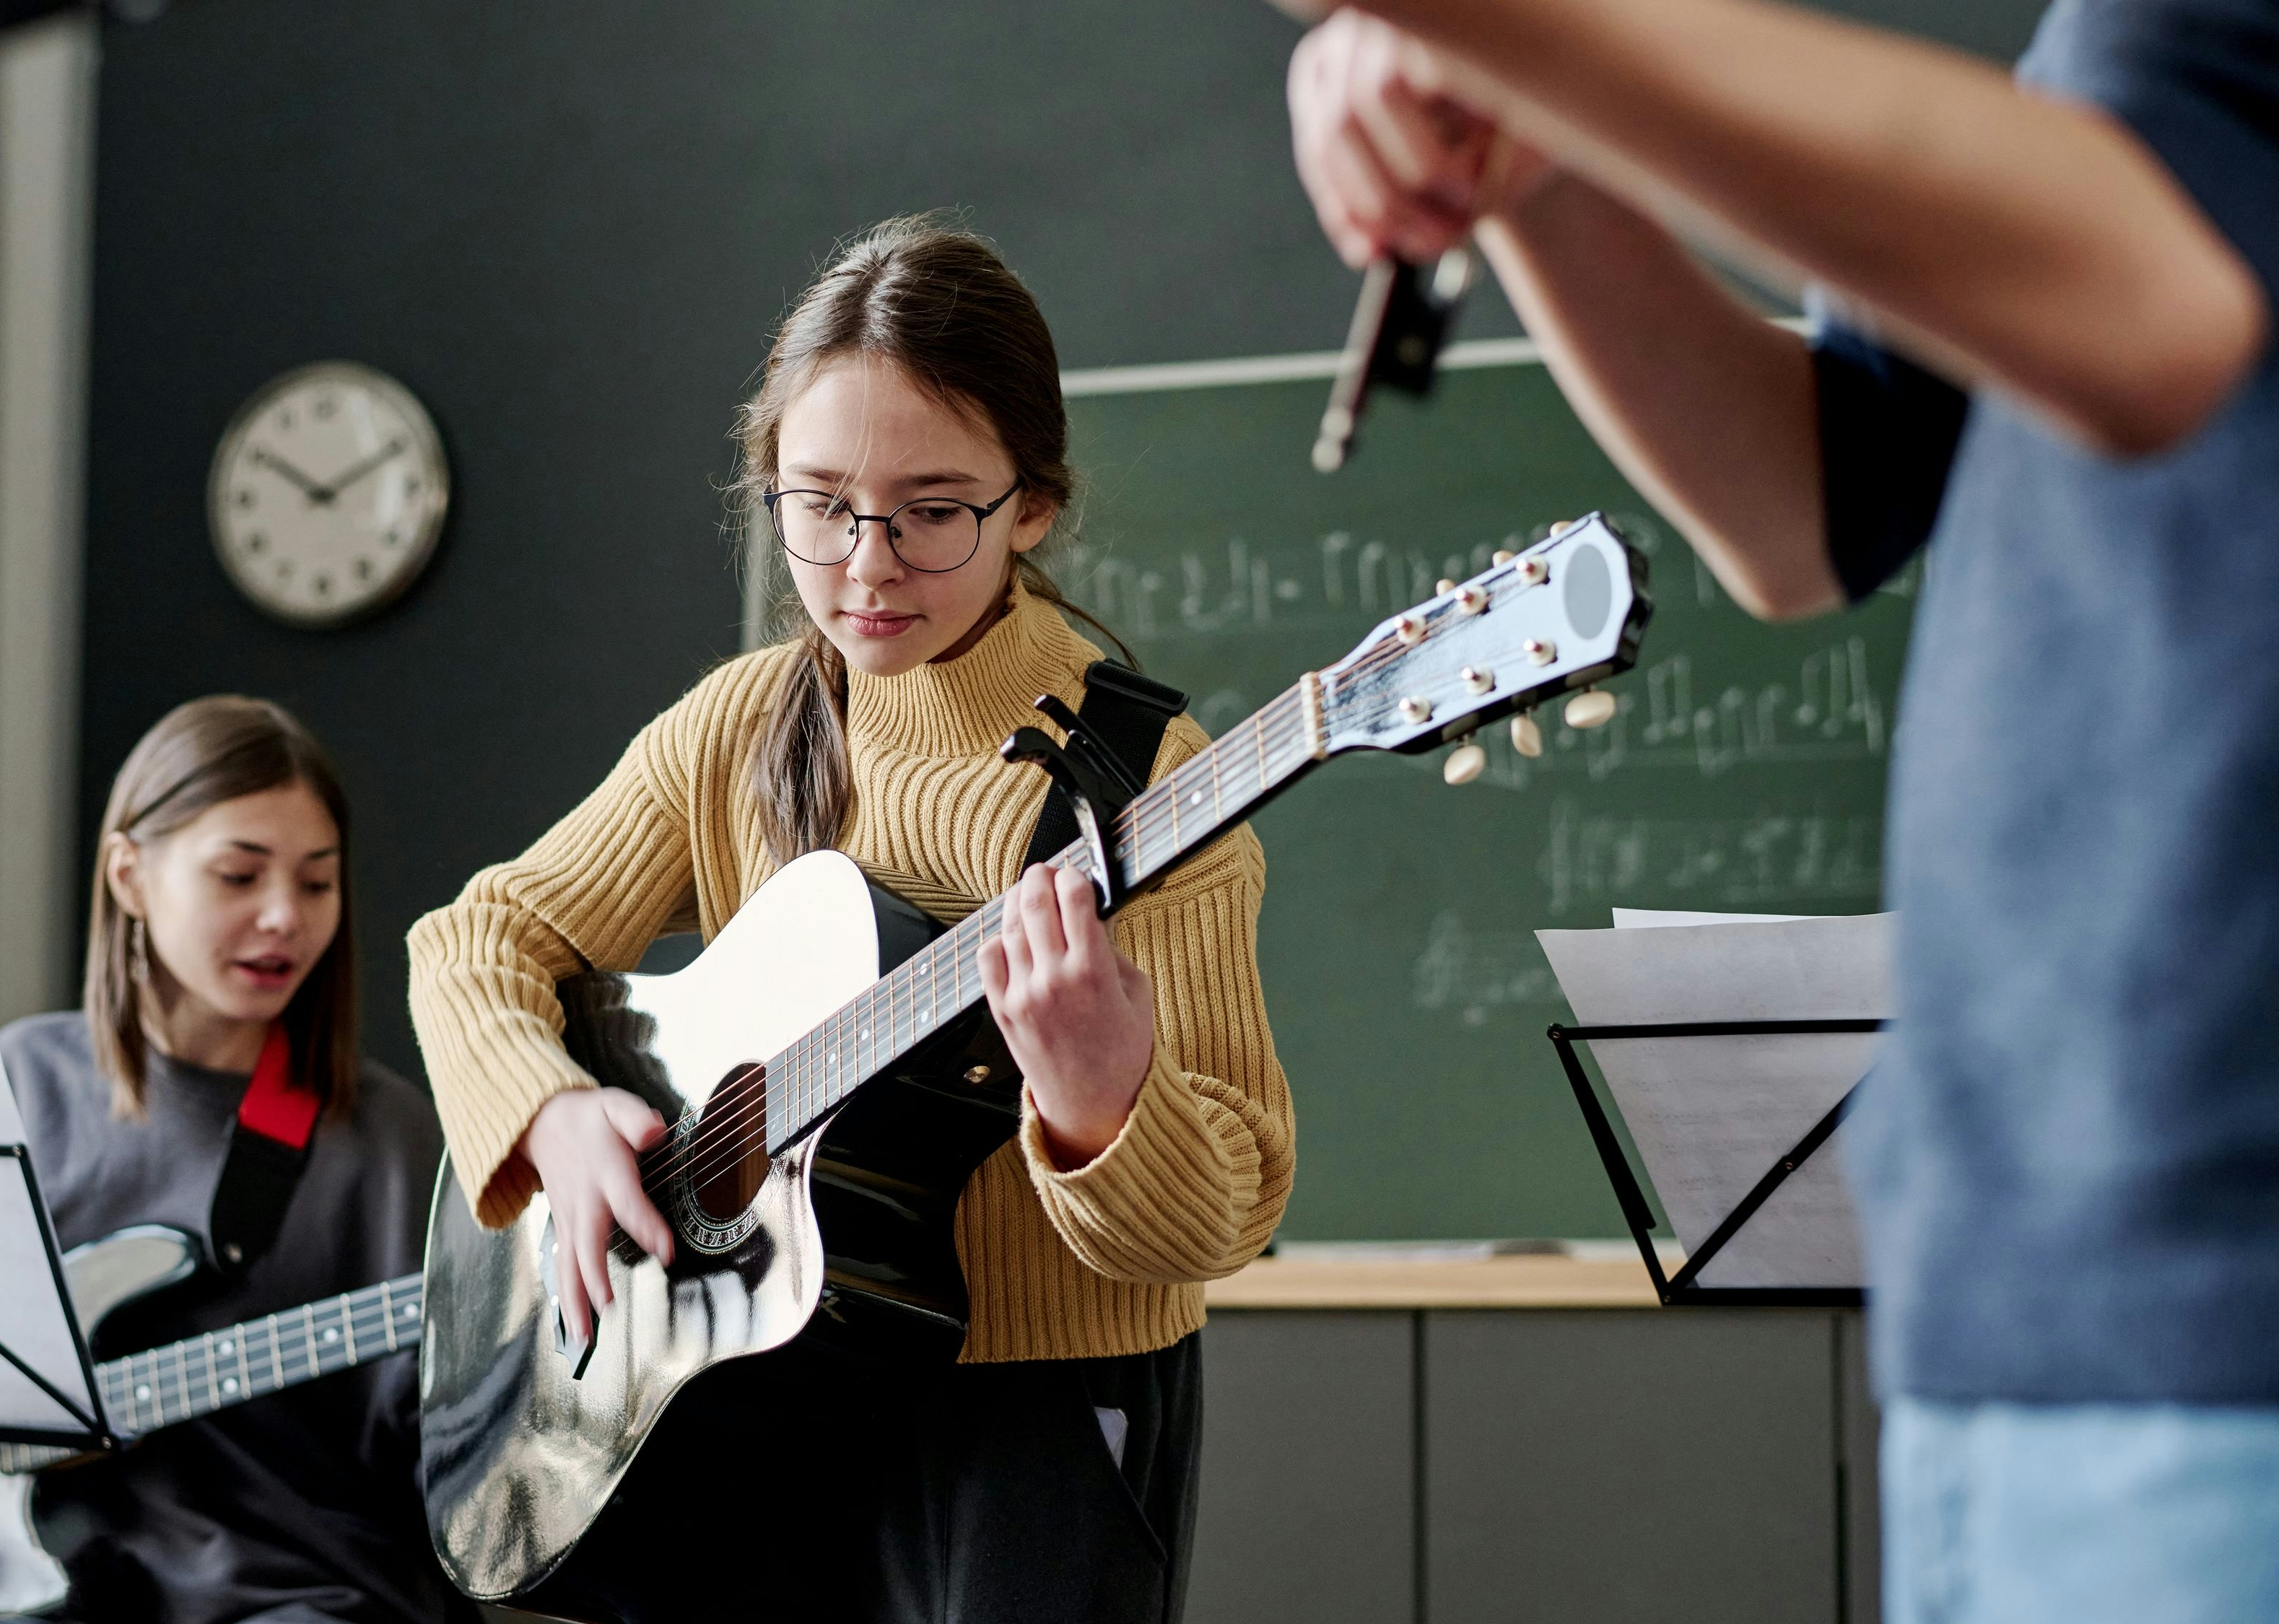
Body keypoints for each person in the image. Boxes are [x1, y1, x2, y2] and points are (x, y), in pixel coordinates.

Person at [1281, 0, 2277, 1618]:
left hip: (2211, 1284)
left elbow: (2156, 317)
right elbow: (1807, 507)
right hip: (2019, 1285)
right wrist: (1536, 171)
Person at [406, 217, 1293, 1624]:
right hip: (744, 1400)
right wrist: (551, 1116)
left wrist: (1102, 1106)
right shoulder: (745, 721)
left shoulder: (1147, 784)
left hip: (1035, 1427)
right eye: (816, 504)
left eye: (933, 510)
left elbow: (1230, 1207)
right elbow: (470, 941)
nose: (866, 565)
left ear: (1035, 502)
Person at [0, 696, 477, 1624]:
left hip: (307, 1597)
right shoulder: (21, 1080)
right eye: (238, 875)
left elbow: (445, 1466)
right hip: (52, 1588)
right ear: (129, 876)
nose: (282, 919)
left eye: (316, 883)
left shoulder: (389, 1141)